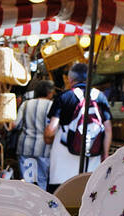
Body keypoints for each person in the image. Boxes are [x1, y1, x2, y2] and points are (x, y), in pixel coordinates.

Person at [45, 62, 112, 192]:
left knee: (59, 197)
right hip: (92, 156)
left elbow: (51, 129)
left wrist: (47, 139)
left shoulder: (64, 96)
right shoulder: (101, 97)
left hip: (63, 159)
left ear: (70, 79)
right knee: (87, 195)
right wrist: (105, 154)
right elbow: (108, 129)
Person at [16, 80, 55, 190]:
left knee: (28, 181)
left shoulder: (26, 104)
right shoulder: (52, 105)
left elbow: (16, 124)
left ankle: (27, 205)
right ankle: (41, 205)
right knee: (42, 180)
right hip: (43, 148)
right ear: (49, 93)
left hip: (25, 147)